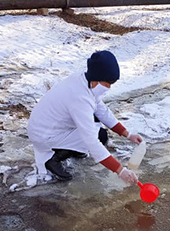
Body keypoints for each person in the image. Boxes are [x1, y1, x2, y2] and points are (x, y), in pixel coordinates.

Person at [28, 50, 144, 184]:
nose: (109, 88)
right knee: (98, 136)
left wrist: (128, 135)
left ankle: (73, 150)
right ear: (96, 78)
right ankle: (52, 159)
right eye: (107, 84)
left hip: (49, 126)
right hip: (44, 135)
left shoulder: (83, 81)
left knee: (98, 129)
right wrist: (120, 170)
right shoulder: (80, 98)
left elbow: (101, 110)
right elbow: (91, 141)